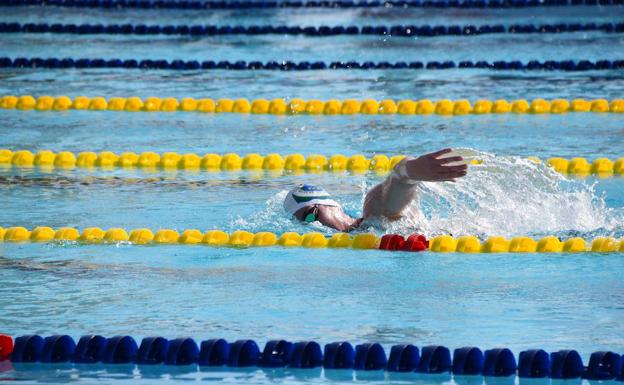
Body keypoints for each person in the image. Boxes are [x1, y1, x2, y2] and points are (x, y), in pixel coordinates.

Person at [283, 148, 467, 231]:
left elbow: (397, 182)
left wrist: (411, 170)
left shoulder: (372, 210)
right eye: (306, 223)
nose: (317, 225)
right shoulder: (362, 232)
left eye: (312, 215)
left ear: (334, 206)